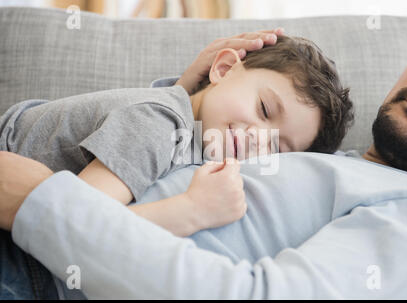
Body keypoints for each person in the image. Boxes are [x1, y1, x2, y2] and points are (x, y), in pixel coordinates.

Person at [0, 29, 407, 299]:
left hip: (36, 263)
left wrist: (38, 205)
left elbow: (252, 302)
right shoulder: (334, 158)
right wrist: (181, 99)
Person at [0, 33, 353, 237]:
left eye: (277, 147)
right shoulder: (158, 121)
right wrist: (192, 211)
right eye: (263, 109)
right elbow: (75, 222)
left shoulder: (185, 118)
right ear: (224, 67)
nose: (257, 137)